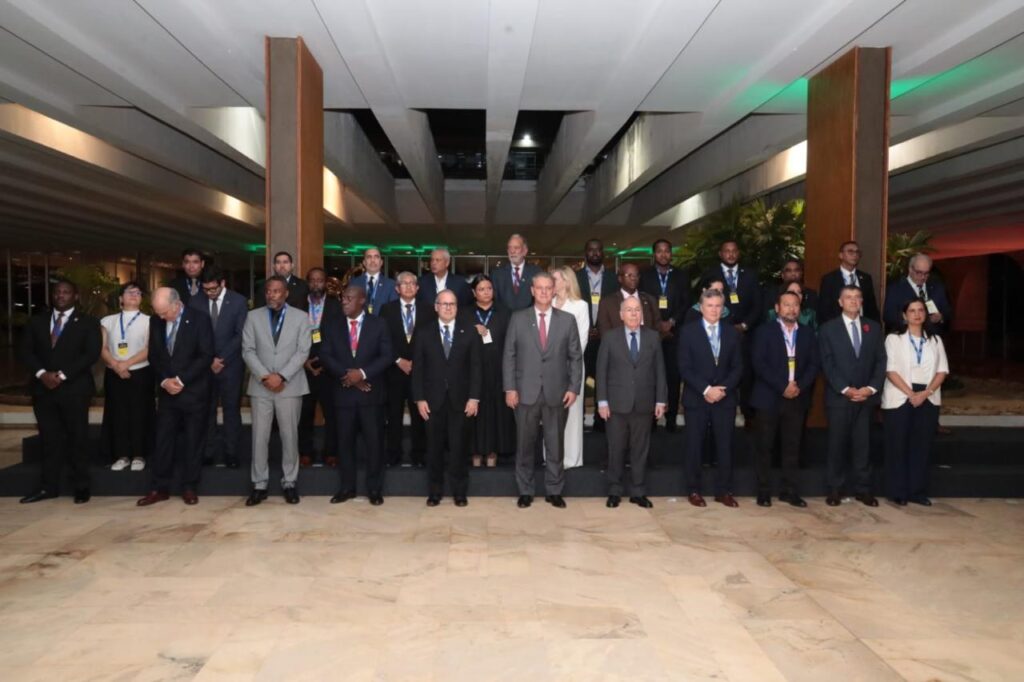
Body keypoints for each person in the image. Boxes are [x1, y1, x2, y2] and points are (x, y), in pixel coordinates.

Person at [503, 272, 584, 509]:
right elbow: (509, 355)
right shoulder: (518, 318)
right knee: (524, 445)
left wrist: (574, 388)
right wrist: (510, 388)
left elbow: (575, 357)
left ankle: (554, 490)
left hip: (557, 392)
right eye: (540, 288)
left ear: (554, 290)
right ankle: (525, 491)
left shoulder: (567, 320)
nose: (545, 292)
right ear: (532, 291)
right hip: (524, 392)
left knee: (555, 444)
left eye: (549, 288)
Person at [19, 279, 101, 504]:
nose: (61, 295)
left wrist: (62, 375)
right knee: (49, 439)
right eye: (57, 292)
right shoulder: (37, 321)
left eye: (66, 292)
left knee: (78, 438)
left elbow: (91, 354)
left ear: (75, 296)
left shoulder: (88, 322)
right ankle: (48, 487)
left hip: (75, 389)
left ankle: (81, 487)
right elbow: (26, 351)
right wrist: (42, 374)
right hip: (43, 389)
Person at [138, 287, 214, 506]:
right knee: (163, 440)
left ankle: (189, 487)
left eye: (164, 312)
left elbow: (205, 355)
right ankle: (159, 488)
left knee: (193, 440)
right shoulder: (156, 321)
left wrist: (180, 380)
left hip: (193, 391)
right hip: (167, 393)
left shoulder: (199, 319)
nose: (162, 317)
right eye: (158, 313)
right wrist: (164, 381)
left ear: (176, 304)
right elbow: (154, 355)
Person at [241, 276, 312, 506]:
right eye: (269, 291)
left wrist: (281, 376)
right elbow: (248, 350)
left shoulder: (301, 317)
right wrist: (265, 376)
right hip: (261, 387)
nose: (272, 295)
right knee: (259, 437)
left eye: (277, 291)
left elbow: (303, 351)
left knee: (289, 436)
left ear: (286, 293)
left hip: (289, 386)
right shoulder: (253, 316)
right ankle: (259, 484)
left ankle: (289, 482)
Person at [322, 286, 395, 505]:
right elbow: (326, 355)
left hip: (371, 395)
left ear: (362, 300)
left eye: (349, 298)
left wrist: (362, 374)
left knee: (374, 444)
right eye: (343, 298)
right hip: (343, 394)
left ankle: (374, 489)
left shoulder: (379, 324)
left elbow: (387, 355)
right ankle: (347, 488)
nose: (344, 301)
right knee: (344, 444)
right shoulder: (332, 324)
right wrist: (349, 376)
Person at [750, 290, 820, 508]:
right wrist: (782, 386)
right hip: (769, 397)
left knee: (792, 447)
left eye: (795, 305)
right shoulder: (764, 331)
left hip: (796, 397)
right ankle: (763, 491)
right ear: (777, 308)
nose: (791, 309)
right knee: (765, 446)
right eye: (787, 305)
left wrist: (799, 386)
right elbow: (759, 363)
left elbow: (814, 364)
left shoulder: (808, 333)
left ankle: (789, 491)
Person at [818, 285, 886, 507]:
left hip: (866, 398)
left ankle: (863, 489)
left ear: (862, 301)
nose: (853, 301)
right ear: (840, 302)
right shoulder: (828, 329)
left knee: (863, 446)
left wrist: (871, 388)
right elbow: (827, 363)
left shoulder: (873, 327)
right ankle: (835, 489)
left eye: (857, 297)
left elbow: (881, 361)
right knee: (836, 445)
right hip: (839, 398)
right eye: (848, 297)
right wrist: (845, 389)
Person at [411, 290, 481, 506]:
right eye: (444, 304)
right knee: (434, 449)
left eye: (452, 304)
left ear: (457, 307)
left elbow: (476, 368)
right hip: (432, 402)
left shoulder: (470, 332)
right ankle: (435, 492)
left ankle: (459, 492)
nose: (448, 308)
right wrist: (419, 399)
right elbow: (418, 369)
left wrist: (474, 398)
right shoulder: (423, 332)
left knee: (459, 449)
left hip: (461, 401)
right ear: (436, 307)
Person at [596, 297, 667, 509]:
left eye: (637, 310)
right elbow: (601, 371)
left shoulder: (653, 337)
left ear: (642, 314)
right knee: (616, 449)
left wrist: (661, 400)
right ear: (621, 315)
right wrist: (602, 401)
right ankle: (614, 490)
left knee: (640, 450)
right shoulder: (610, 338)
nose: (634, 314)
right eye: (629, 310)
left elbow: (660, 371)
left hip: (644, 403)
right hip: (616, 404)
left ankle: (638, 491)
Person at [678, 289, 743, 508]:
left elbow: (738, 366)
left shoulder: (732, 332)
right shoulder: (688, 332)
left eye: (718, 306)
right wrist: (706, 389)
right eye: (710, 306)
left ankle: (723, 491)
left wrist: (723, 389)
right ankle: (693, 490)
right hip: (697, 398)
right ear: (701, 307)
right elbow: (684, 367)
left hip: (725, 397)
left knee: (725, 446)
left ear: (723, 308)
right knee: (694, 445)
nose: (714, 310)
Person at [882, 299, 949, 506]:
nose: (917, 314)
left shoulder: (935, 340)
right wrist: (912, 394)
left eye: (920, 310)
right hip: (900, 395)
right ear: (904, 315)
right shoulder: (894, 339)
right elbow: (890, 370)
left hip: (928, 396)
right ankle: (898, 491)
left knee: (921, 445)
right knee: (898, 444)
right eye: (912, 311)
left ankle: (917, 491)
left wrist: (925, 393)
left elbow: (942, 371)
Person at [189, 266, 247, 469]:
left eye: (213, 289)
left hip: (230, 366)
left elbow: (240, 334)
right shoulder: (195, 301)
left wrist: (220, 359)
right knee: (207, 410)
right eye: (206, 289)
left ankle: (231, 452)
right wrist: (209, 360)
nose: (209, 293)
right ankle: (208, 452)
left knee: (231, 410)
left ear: (223, 283)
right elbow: (193, 334)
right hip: (204, 367)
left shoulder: (238, 301)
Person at [458, 275, 514, 468]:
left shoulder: (504, 312)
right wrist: (472, 330)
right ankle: (474, 454)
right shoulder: (464, 314)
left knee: (496, 415)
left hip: (498, 372)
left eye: (489, 288)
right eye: (481, 289)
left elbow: (512, 343)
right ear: (474, 293)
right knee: (474, 414)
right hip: (471, 373)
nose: (486, 292)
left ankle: (492, 453)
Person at [379, 272, 431, 467]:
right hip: (394, 371)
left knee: (419, 415)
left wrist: (417, 362)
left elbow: (432, 340)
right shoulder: (387, 310)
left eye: (412, 283)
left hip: (420, 371)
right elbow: (382, 339)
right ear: (397, 288)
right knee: (394, 414)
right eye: (404, 283)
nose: (408, 287)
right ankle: (393, 454)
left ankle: (419, 455)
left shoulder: (428, 309)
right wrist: (398, 360)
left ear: (417, 288)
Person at [100, 281, 152, 472]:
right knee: (117, 414)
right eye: (130, 292)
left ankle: (139, 454)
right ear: (121, 298)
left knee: (140, 413)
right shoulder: (107, 321)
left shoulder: (150, 321)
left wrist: (127, 364)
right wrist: (116, 365)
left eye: (138, 292)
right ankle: (121, 455)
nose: (134, 295)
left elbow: (149, 348)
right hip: (114, 373)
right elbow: (103, 348)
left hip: (140, 372)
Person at [639, 239, 690, 432]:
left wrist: (672, 322)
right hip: (651, 333)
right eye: (659, 251)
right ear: (654, 254)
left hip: (675, 333)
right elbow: (641, 301)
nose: (663, 254)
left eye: (667, 251)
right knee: (650, 376)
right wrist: (658, 323)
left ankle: (671, 419)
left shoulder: (681, 275)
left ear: (671, 253)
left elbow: (686, 302)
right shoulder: (644, 275)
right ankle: (651, 419)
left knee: (673, 377)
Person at [299, 267, 343, 468]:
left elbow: (340, 337)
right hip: (303, 367)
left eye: (320, 280)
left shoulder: (336, 306)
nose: (316, 284)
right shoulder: (298, 305)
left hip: (329, 368)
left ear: (326, 283)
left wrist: (326, 360)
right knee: (304, 413)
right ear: (308, 283)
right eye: (313, 280)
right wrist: (304, 361)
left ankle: (331, 452)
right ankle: (305, 452)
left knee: (331, 413)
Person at [575, 238, 618, 430]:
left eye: (598, 249)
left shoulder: (613, 278)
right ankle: (579, 419)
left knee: (603, 378)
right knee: (581, 379)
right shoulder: (576, 277)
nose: (594, 253)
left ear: (603, 253)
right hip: (581, 338)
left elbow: (616, 306)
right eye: (591, 250)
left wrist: (601, 328)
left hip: (605, 337)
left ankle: (601, 421)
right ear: (585, 253)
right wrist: (586, 328)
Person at [550, 266, 589, 468]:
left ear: (566, 281)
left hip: (572, 368)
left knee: (572, 415)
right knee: (550, 415)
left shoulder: (580, 306)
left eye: (555, 279)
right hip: (548, 369)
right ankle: (551, 457)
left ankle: (571, 459)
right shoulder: (547, 304)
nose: (551, 283)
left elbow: (581, 341)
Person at [700, 240, 761, 334]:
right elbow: (704, 301)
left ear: (738, 253)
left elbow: (758, 303)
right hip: (719, 330)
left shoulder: (750, 274)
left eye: (734, 251)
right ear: (720, 254)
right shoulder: (710, 274)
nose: (731, 254)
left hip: (747, 331)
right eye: (727, 251)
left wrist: (745, 325)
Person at [883, 253, 952, 337]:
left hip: (933, 338)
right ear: (910, 269)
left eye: (926, 273)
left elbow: (947, 312)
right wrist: (911, 320)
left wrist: (940, 317)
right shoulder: (896, 288)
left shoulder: (937, 287)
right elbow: (888, 316)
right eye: (919, 273)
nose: (923, 277)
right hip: (905, 338)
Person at [818, 241, 881, 324]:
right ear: (841, 255)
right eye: (850, 251)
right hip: (838, 326)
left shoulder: (866, 278)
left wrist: (875, 326)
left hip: (863, 325)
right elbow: (824, 309)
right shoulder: (829, 279)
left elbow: (872, 307)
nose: (855, 255)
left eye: (857, 252)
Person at [596, 262, 659, 337]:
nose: (633, 278)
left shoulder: (650, 300)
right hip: (617, 344)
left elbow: (657, 330)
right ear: (620, 279)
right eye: (629, 275)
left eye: (636, 275)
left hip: (647, 344)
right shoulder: (606, 303)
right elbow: (605, 335)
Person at [491, 233, 541, 310]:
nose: (512, 251)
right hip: (505, 317)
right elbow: (494, 302)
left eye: (516, 247)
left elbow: (540, 299)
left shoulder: (536, 272)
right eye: (509, 248)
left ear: (525, 251)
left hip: (529, 317)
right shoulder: (496, 274)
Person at [349, 247, 397, 316]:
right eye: (369, 257)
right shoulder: (354, 283)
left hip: (383, 322)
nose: (372, 260)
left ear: (381, 262)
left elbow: (393, 310)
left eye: (376, 257)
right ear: (364, 262)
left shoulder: (391, 284)